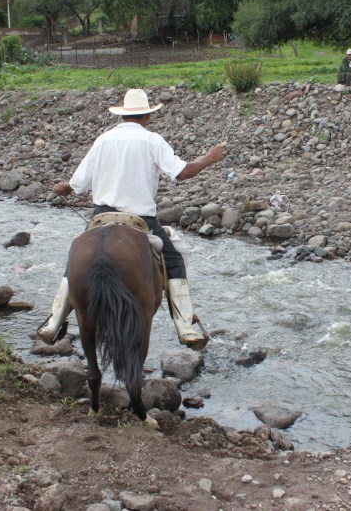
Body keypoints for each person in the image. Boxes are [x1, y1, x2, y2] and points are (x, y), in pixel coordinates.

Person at [37, 88, 225, 349]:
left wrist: (64, 187)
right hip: (141, 221)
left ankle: (54, 321)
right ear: (147, 115)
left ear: (123, 116)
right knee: (175, 259)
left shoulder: (103, 140)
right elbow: (181, 173)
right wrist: (208, 159)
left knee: (75, 258)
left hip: (102, 216)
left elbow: (79, 182)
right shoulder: (152, 141)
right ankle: (185, 327)